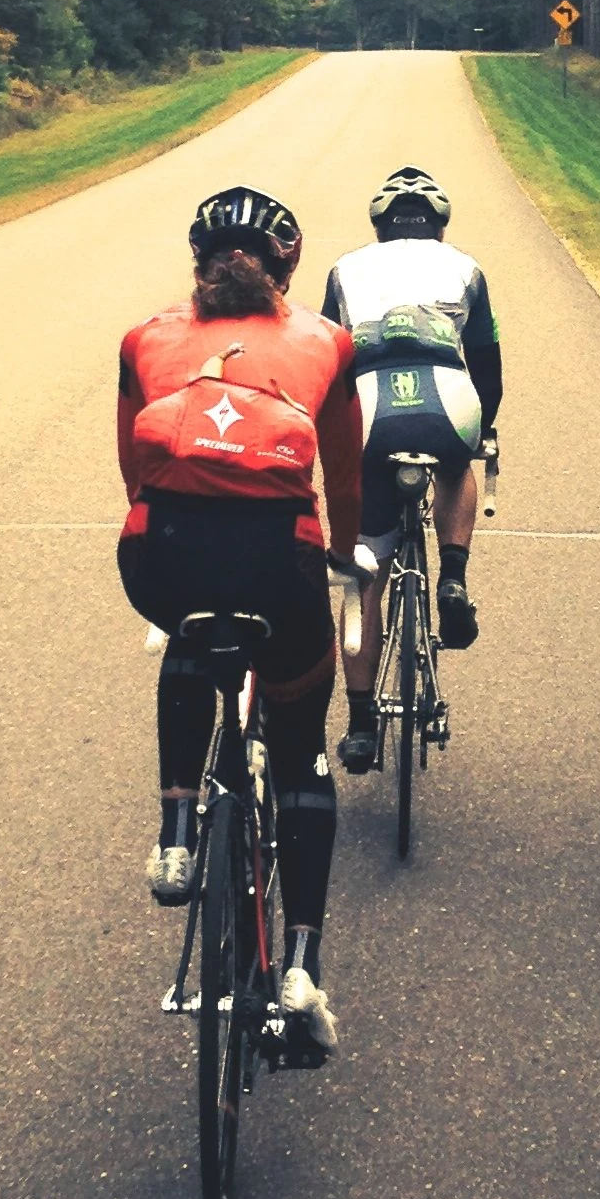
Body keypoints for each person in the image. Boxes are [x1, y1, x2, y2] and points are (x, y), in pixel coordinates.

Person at [117, 185, 363, 1055]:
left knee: (185, 625)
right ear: (285, 268)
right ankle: (301, 962)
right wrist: (344, 557)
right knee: (299, 745)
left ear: (197, 263)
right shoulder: (329, 342)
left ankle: (177, 832)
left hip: (164, 557)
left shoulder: (145, 338)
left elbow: (132, 472)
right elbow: (343, 475)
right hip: (283, 568)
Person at [319, 165, 504, 774]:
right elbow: (488, 365)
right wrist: (485, 430)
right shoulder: (465, 267)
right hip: (449, 401)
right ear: (440, 226)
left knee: (365, 573)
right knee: (456, 465)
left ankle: (362, 722)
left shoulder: (346, 268)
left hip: (371, 408)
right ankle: (452, 576)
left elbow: (328, 358)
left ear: (378, 227)